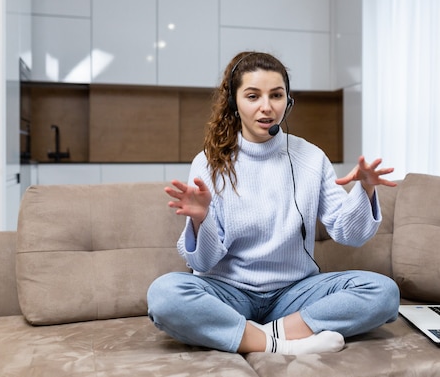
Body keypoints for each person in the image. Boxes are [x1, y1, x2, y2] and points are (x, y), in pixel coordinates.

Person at [147, 51, 400, 355]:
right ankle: (285, 346)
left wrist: (366, 192)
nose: (266, 107)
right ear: (234, 102)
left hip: (293, 294)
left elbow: (351, 234)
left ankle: (260, 337)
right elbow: (201, 264)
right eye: (253, 96)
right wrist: (202, 221)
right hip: (229, 293)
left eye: (276, 95)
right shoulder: (210, 163)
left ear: (288, 101)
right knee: (164, 294)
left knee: (383, 292)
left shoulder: (310, 158)